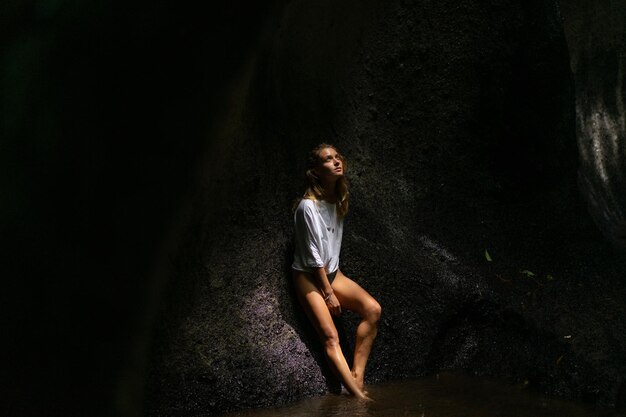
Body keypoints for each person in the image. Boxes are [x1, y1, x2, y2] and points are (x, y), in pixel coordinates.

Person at [292, 143, 381, 400]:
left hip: (333, 273)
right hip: (309, 277)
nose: (336, 162)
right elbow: (313, 257)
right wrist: (328, 293)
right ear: (316, 171)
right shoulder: (307, 207)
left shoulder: (339, 198)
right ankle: (359, 399)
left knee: (373, 310)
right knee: (331, 337)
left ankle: (357, 378)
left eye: (337, 157)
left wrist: (333, 283)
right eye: (328, 160)